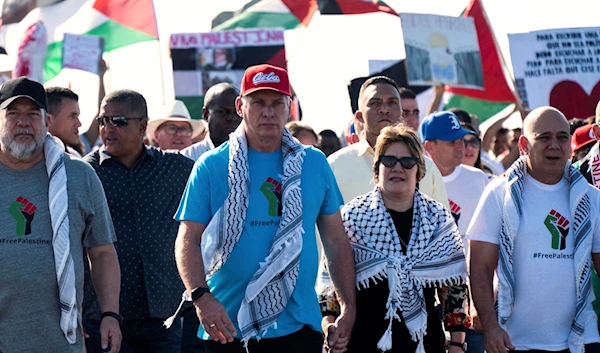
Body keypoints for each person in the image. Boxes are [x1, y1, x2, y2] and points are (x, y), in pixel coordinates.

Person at [173, 64, 356, 353]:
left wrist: (347, 307)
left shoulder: (314, 162)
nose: (268, 111)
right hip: (227, 327)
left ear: (289, 108)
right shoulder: (211, 166)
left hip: (299, 326)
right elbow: (187, 239)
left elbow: (336, 241)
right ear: (240, 106)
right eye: (258, 102)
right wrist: (201, 298)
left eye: (277, 103)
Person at [318, 125, 470, 353]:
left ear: (419, 172)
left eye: (407, 162)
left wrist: (458, 343)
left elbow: (454, 291)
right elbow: (329, 288)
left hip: (425, 345)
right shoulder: (352, 217)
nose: (397, 168)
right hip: (362, 344)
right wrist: (330, 327)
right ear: (376, 170)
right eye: (388, 161)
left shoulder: (438, 219)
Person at [0, 77, 121, 352]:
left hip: (59, 341)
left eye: (33, 114)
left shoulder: (78, 175)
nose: (23, 122)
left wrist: (110, 314)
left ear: (47, 122)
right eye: (12, 114)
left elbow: (102, 252)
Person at [468, 106, 600, 353]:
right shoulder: (499, 194)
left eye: (562, 137)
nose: (554, 144)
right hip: (514, 340)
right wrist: (491, 326)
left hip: (581, 339)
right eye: (544, 137)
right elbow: (479, 266)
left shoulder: (591, 198)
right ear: (524, 145)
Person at [84, 89, 195, 352]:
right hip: (106, 316)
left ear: (142, 126)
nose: (108, 128)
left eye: (118, 121)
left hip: (166, 315)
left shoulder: (178, 169)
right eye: (103, 120)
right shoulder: (85, 173)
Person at [420, 111, 489, 353]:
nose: (460, 146)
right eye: (452, 142)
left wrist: (483, 301)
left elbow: (492, 241)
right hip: (426, 300)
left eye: (462, 140)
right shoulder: (414, 179)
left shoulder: (479, 179)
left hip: (469, 298)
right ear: (429, 146)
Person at [328, 76, 449, 207]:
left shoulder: (427, 168)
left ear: (402, 115)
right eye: (375, 103)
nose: (385, 109)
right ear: (359, 116)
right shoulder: (335, 166)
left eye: (392, 103)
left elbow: (443, 224)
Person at [180, 83, 242, 162]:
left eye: (237, 112)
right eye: (223, 111)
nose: (232, 118)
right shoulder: (187, 158)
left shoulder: (254, 156)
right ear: (206, 114)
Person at [46, 87, 83, 156]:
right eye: (72, 116)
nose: (79, 124)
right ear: (49, 120)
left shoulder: (75, 157)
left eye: (77, 117)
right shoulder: (29, 161)